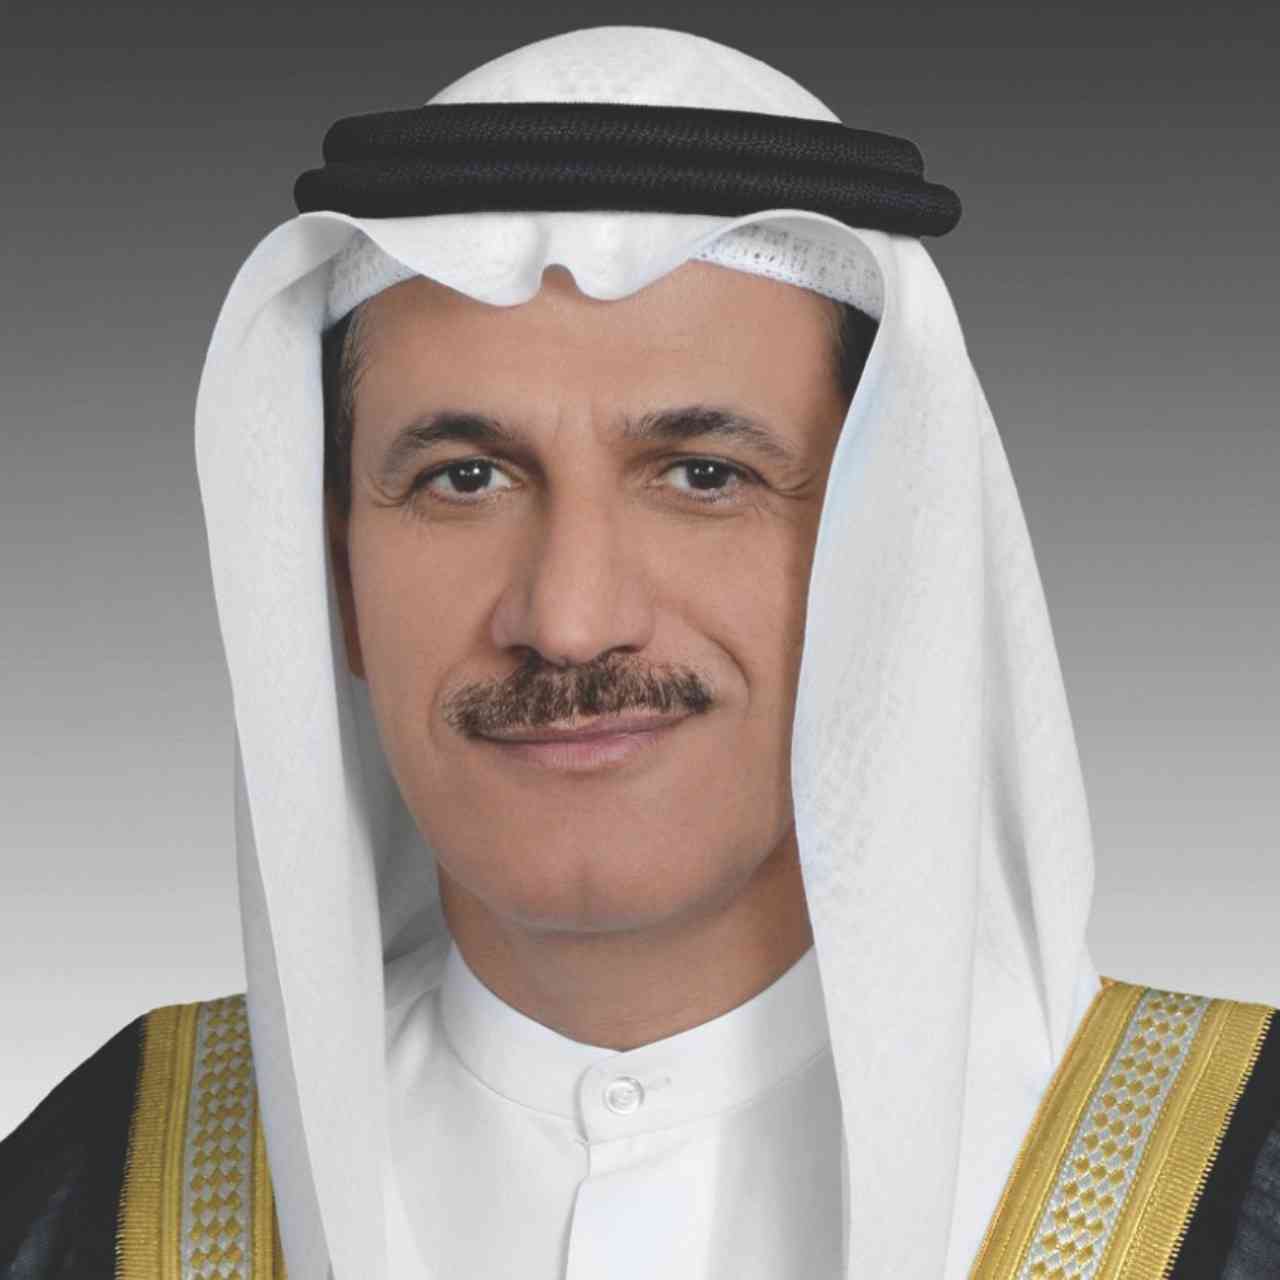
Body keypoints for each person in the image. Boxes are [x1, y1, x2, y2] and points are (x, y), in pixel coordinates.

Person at [2, 24, 1276, 1280]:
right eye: (463, 478)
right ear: (331, 577)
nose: (568, 618)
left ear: (895, 563)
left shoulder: (1232, 1184)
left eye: (702, 474)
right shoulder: (96, 1195)